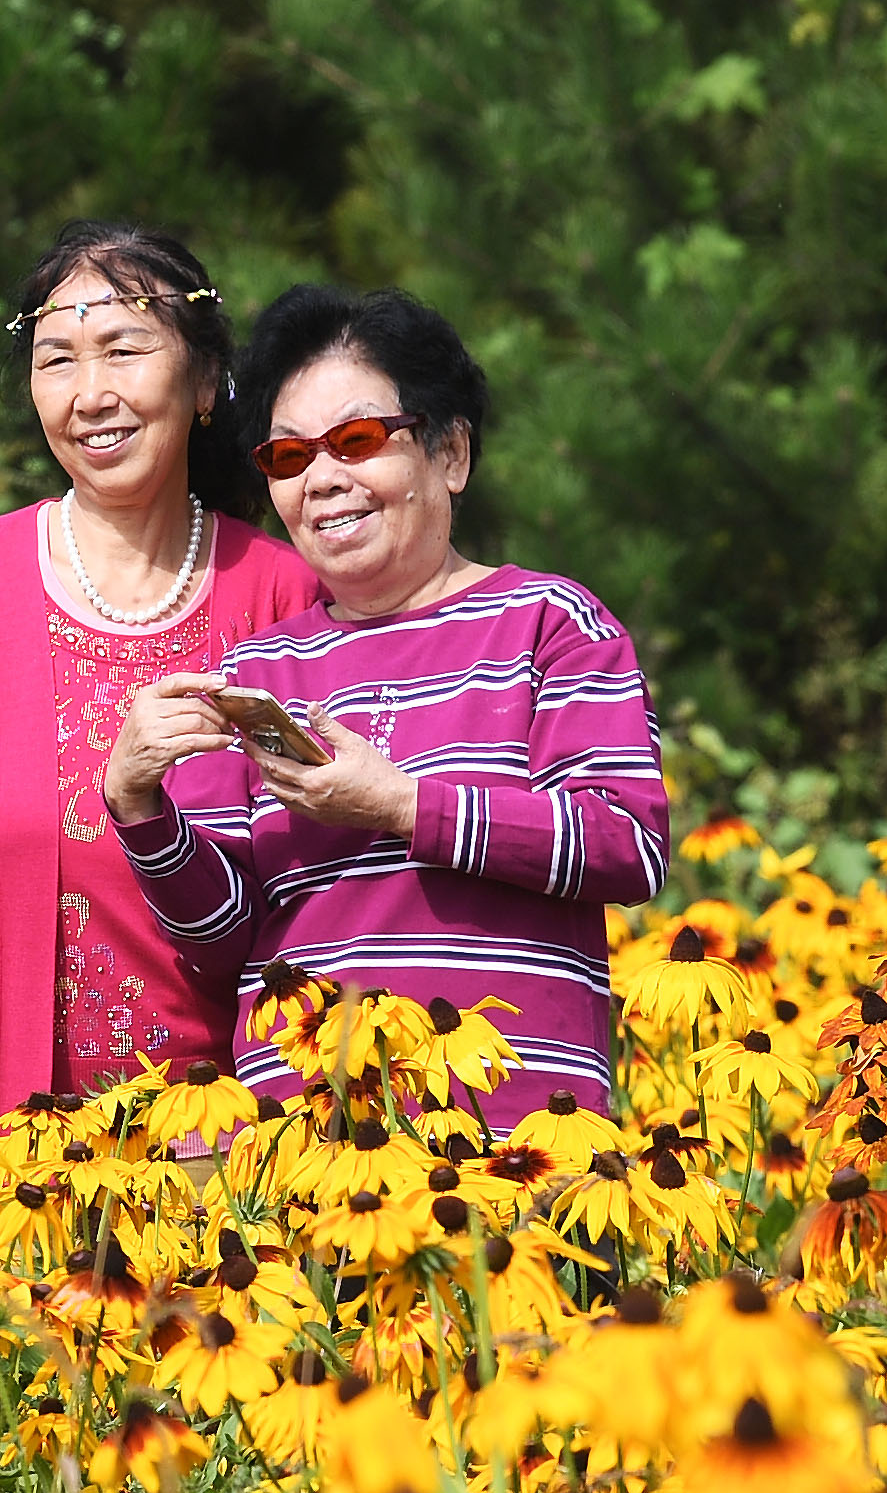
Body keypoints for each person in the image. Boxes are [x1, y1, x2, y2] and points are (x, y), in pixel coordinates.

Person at [106, 284, 665, 1123]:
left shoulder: (548, 623)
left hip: (519, 1141)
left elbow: (626, 844)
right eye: (289, 457)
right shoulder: (260, 670)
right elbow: (222, 941)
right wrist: (138, 806)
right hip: (312, 1146)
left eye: (358, 441)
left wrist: (403, 804)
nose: (324, 479)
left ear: (450, 454)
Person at [0, 222, 317, 1112]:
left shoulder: (285, 593)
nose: (91, 393)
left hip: (223, 1152)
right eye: (57, 359)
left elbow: (322, 885)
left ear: (200, 383)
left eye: (122, 349)